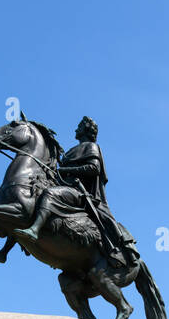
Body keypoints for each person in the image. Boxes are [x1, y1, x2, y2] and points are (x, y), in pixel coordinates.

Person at [14, 116, 140, 270]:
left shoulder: (91, 147)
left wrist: (67, 170)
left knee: (49, 195)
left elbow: (94, 168)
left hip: (80, 192)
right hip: (68, 189)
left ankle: (35, 229)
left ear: (86, 130)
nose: (76, 130)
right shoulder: (72, 150)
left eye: (79, 127)